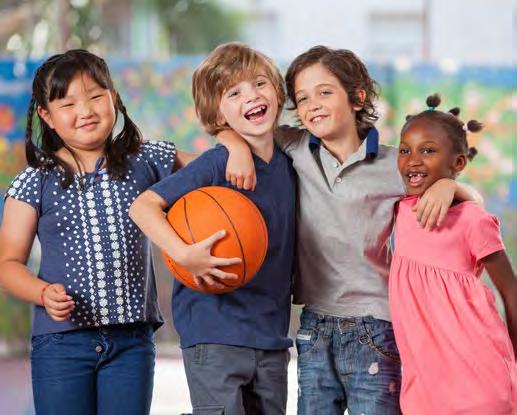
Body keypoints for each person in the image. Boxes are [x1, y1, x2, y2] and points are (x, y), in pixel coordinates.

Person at [219, 46, 482, 414]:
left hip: (376, 326)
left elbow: (475, 201)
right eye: (303, 98)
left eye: (324, 92)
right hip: (314, 325)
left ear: (358, 98)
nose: (312, 105)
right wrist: (235, 146)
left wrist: (447, 186)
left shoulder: (393, 163)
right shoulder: (293, 145)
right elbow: (235, 128)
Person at [0, 49, 196, 415]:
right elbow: (7, 264)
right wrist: (42, 293)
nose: (86, 110)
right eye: (68, 103)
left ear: (114, 98)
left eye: (95, 96)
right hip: (62, 344)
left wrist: (235, 146)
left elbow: (210, 169)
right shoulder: (34, 180)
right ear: (46, 116)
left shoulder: (146, 158)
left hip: (131, 342)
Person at [129, 42, 296, 415]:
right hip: (214, 330)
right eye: (234, 93)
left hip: (271, 335)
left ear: (277, 91)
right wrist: (184, 254)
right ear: (218, 114)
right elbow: (143, 207)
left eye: (259, 84)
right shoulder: (216, 164)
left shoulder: (291, 162)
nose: (251, 95)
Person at [390, 93, 517, 414]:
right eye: (404, 150)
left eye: (428, 150)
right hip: (423, 388)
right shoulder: (398, 208)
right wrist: (452, 185)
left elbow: (511, 291)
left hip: (480, 380)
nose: (412, 159)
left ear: (458, 163)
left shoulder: (473, 219)